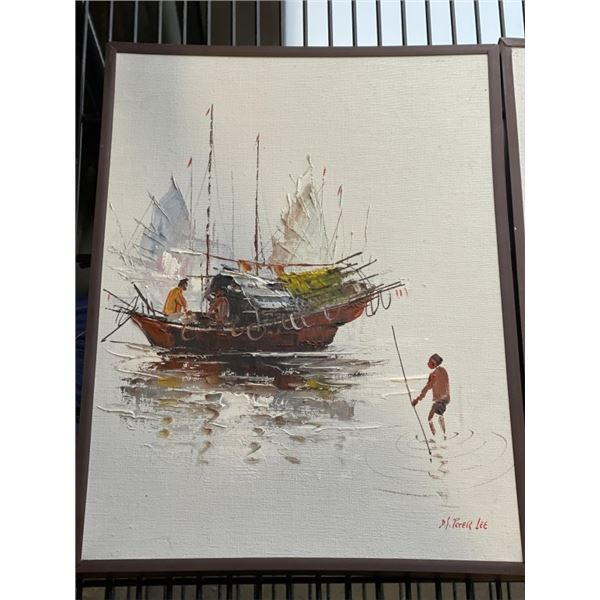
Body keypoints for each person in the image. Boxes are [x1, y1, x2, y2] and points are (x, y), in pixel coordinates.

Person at [412, 353, 450, 439]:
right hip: (445, 398)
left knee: (431, 418)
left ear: (433, 363)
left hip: (439, 400)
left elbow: (427, 387)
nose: (427, 363)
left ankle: (438, 437)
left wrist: (417, 399)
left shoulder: (434, 374)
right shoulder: (443, 371)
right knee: (439, 416)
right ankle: (443, 435)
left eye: (429, 361)